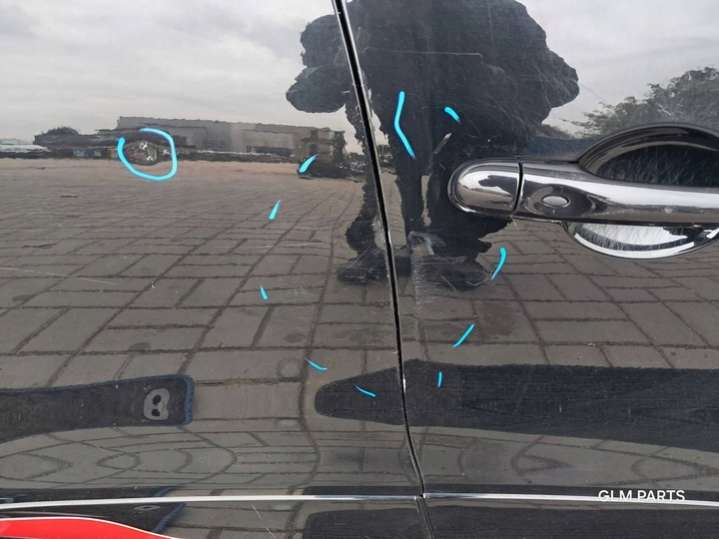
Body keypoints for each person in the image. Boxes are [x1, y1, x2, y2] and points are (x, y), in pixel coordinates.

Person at [288, 0, 579, 289]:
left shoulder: (499, 16)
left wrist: (499, 84)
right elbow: (306, 95)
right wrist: (339, 69)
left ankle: (453, 245)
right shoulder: (351, 19)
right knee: (391, 178)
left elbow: (563, 83)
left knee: (463, 169)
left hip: (474, 135)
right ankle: (380, 242)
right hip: (391, 136)